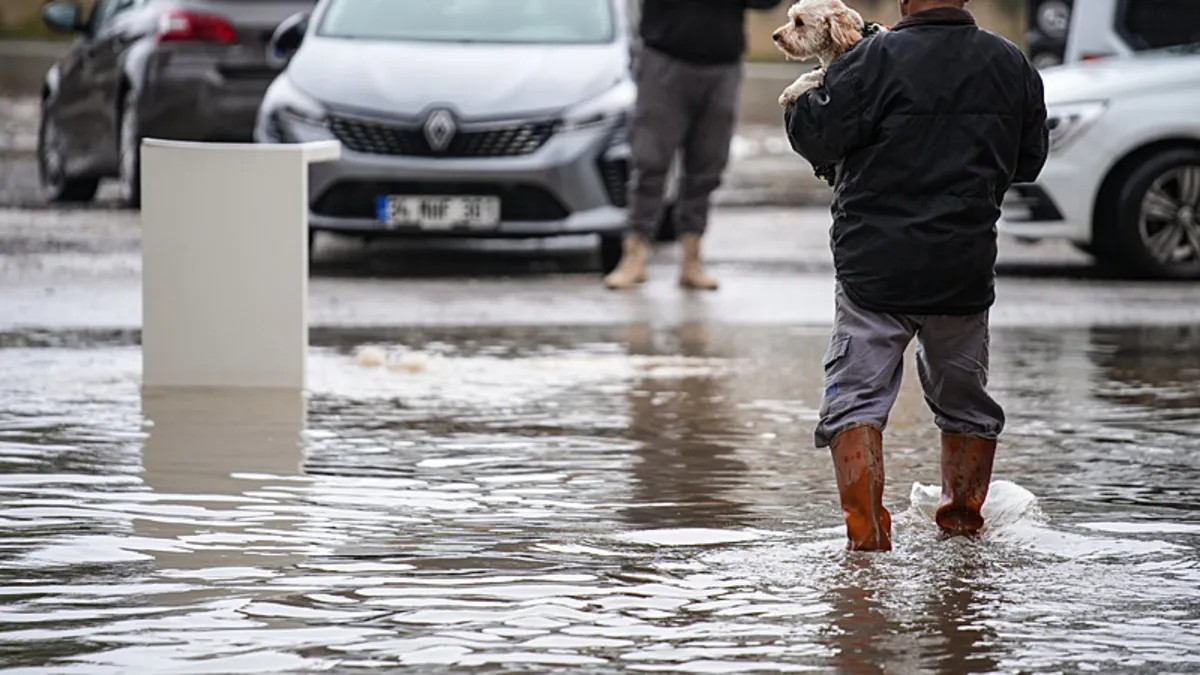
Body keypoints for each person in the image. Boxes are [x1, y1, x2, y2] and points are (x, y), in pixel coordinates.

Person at [783, 0, 1049, 551]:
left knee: (856, 400)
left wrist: (802, 104)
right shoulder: (1010, 63)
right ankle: (960, 527)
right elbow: (1029, 162)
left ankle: (868, 540)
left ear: (904, 2)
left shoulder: (870, 61)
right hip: (963, 265)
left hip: (873, 268)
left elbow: (816, 135)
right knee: (965, 399)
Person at [603, 0, 786, 292]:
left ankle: (692, 258)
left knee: (707, 165)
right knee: (650, 160)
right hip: (665, 59)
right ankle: (634, 256)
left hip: (722, 65)